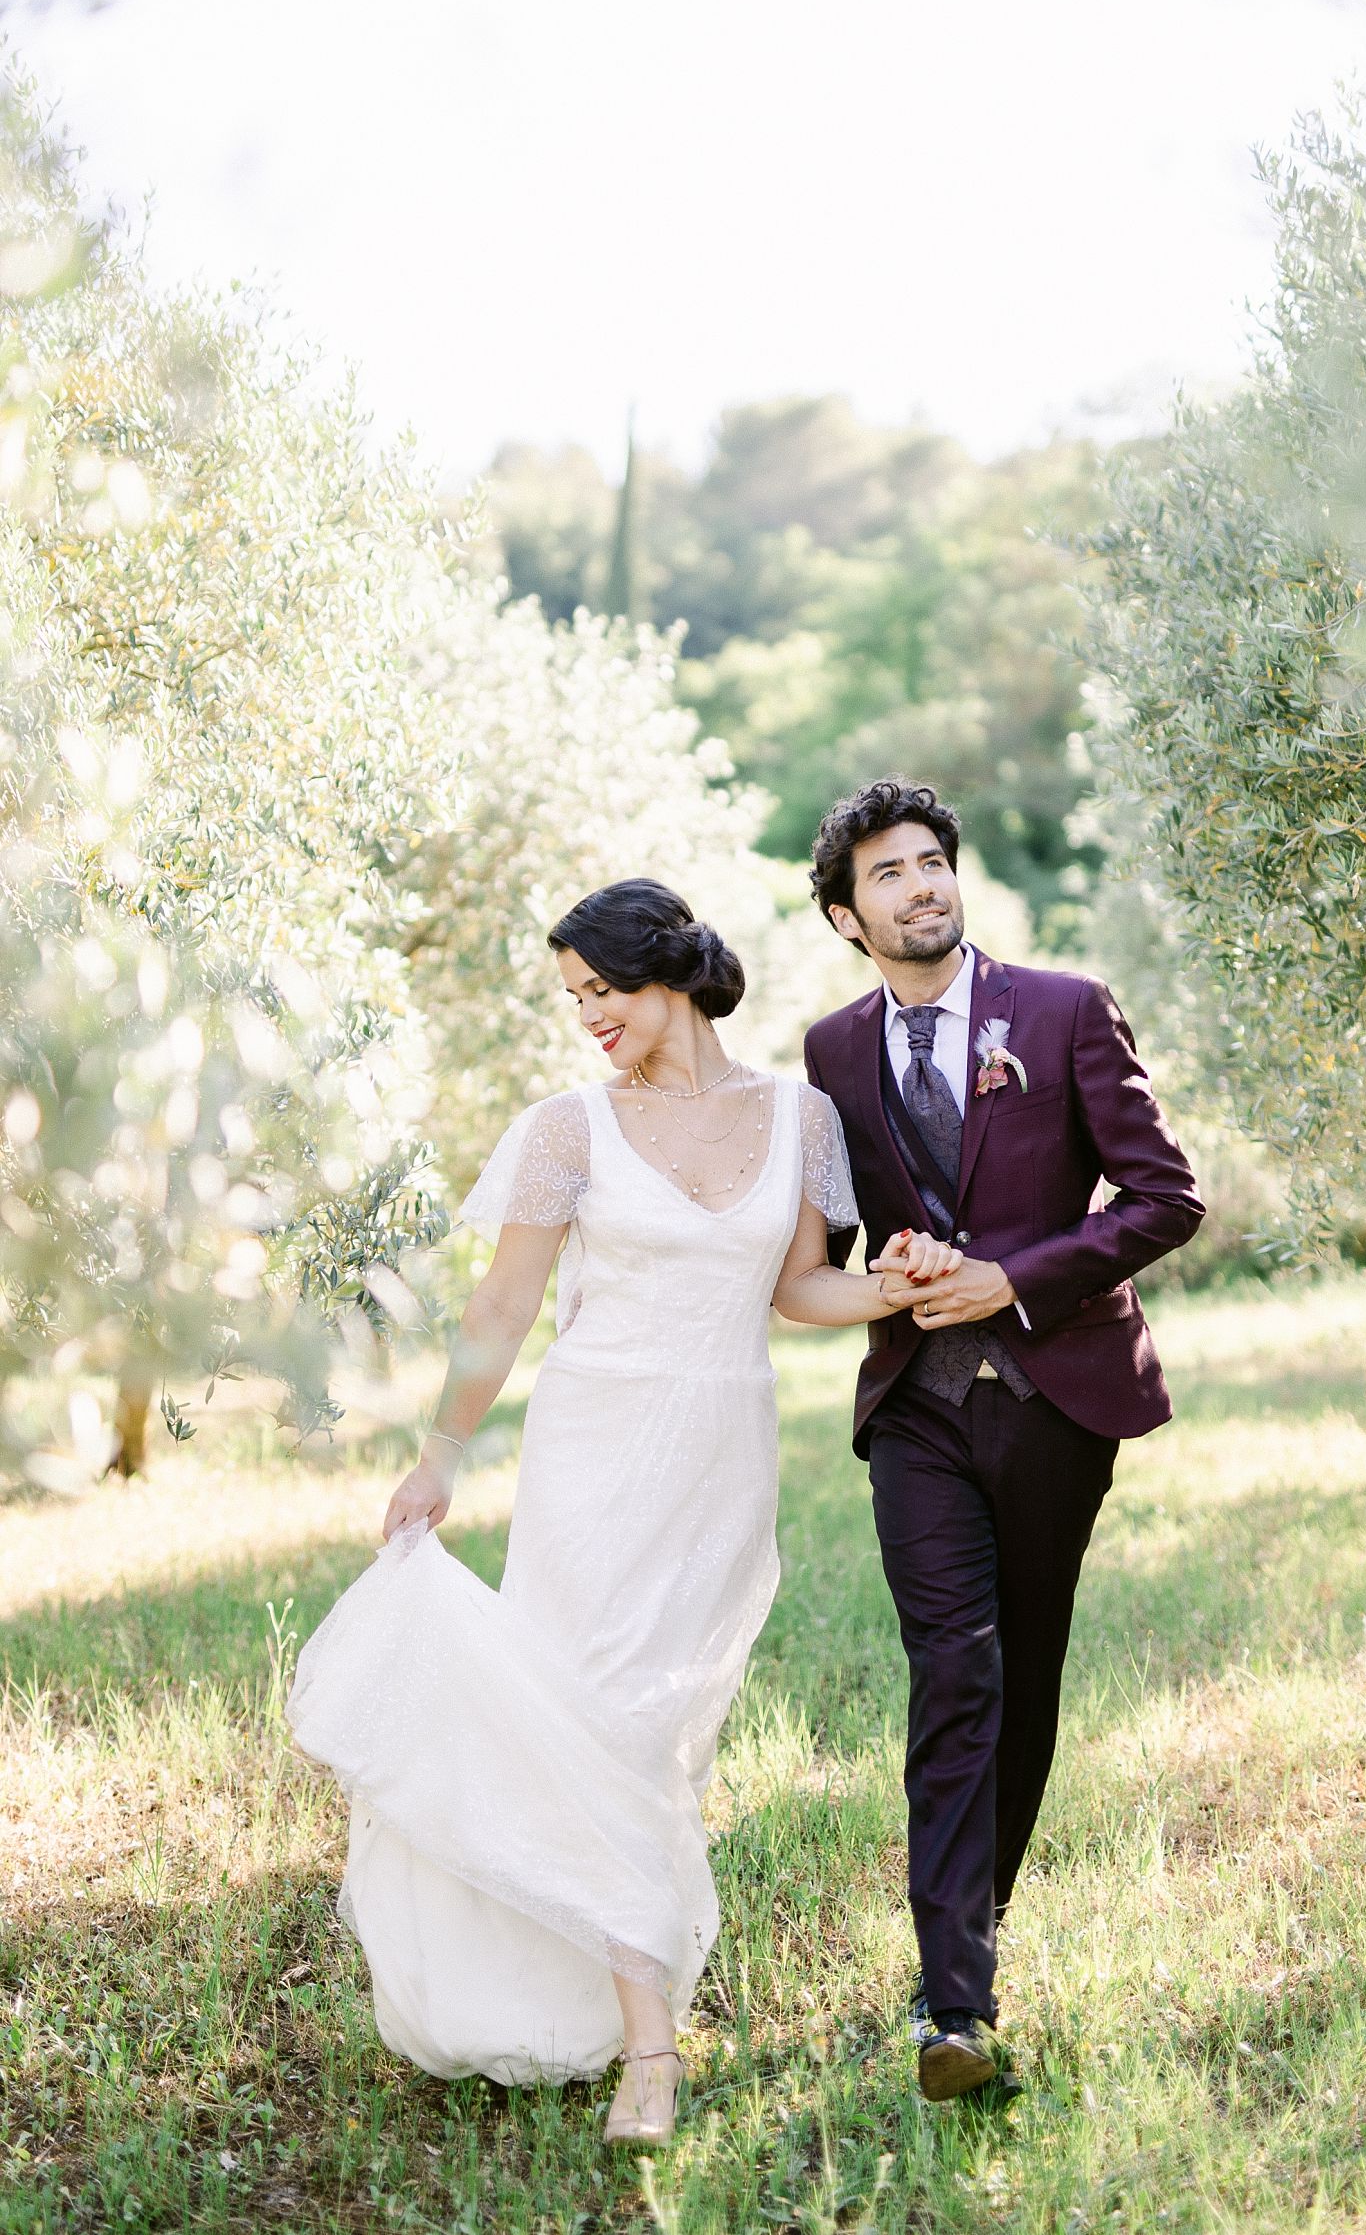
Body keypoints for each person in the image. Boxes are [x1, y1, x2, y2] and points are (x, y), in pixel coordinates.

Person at [287, 877, 950, 2146]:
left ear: (671, 973)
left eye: (600, 988)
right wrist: (441, 1457)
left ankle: (599, 1978)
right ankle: (652, 2051)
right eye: (572, 997)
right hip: (593, 1451)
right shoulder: (567, 1129)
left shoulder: (800, 1116)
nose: (586, 1015)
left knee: (658, 1731)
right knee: (592, 1712)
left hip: (721, 1454)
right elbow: (500, 1310)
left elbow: (801, 1287)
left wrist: (896, 1291)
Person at [802, 780, 1204, 2103]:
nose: (919, 884)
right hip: (914, 1401)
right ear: (847, 915)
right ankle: (953, 2001)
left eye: (933, 863)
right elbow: (848, 1240)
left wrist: (1014, 1277)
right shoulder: (827, 1053)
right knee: (953, 1669)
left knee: (1022, 1676)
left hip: (1055, 1396)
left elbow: (1164, 1195)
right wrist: (903, 1268)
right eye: (887, 874)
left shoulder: (1065, 1009)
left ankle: (972, 1931)